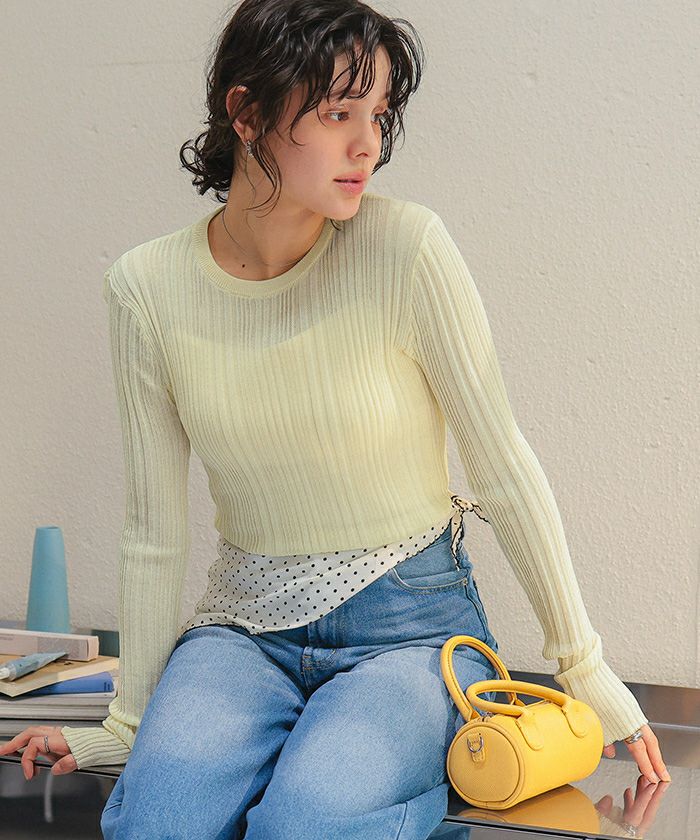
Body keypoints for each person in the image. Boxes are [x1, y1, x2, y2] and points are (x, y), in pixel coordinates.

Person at [0, 1, 671, 838]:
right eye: (337, 114)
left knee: (304, 825)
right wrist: (127, 726)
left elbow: (503, 466)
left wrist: (586, 670)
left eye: (378, 115)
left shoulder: (407, 249)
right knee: (158, 824)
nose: (368, 145)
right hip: (243, 630)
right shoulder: (147, 289)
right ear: (247, 113)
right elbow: (153, 529)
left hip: (409, 631)